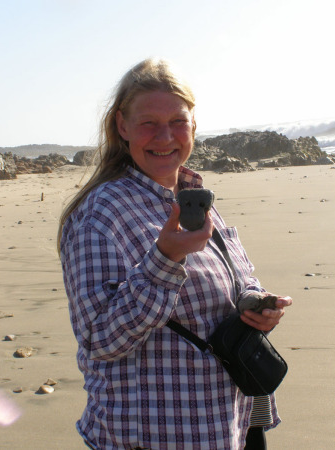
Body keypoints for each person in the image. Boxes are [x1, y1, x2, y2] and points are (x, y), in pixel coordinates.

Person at [58, 58, 292, 449]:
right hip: (160, 433)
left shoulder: (193, 198)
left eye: (178, 122)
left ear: (193, 124)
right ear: (122, 126)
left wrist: (255, 301)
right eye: (149, 122)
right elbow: (99, 339)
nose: (165, 137)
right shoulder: (101, 214)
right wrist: (165, 260)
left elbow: (237, 275)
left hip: (231, 420)